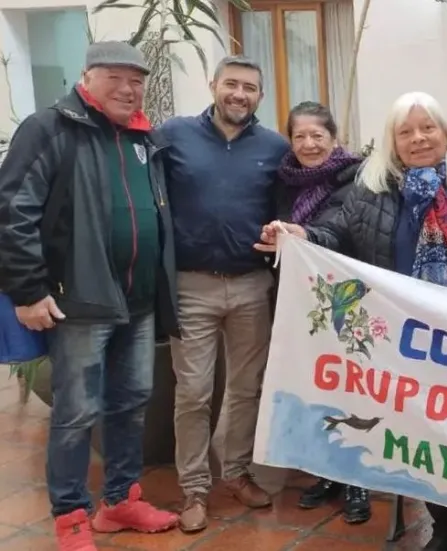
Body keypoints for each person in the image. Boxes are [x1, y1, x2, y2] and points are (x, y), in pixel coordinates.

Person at [255, 91, 447, 551]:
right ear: (392, 140)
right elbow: (337, 237)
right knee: (426, 442)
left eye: (427, 127)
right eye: (405, 131)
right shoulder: (372, 190)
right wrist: (302, 235)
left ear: (446, 131)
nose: (418, 139)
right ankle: (445, 529)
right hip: (412, 348)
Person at [0, 41, 180, 550]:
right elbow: (12, 210)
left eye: (137, 80)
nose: (128, 88)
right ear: (86, 77)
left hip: (139, 301)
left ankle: (120, 500)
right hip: (77, 302)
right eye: (114, 77)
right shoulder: (49, 129)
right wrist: (29, 291)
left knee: (130, 404)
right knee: (76, 413)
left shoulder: (143, 136)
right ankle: (71, 517)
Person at [158, 55, 289, 533]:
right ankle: (194, 488)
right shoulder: (174, 135)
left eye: (250, 87)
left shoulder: (275, 147)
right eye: (231, 84)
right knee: (192, 392)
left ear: (260, 95)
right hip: (191, 285)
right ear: (214, 85)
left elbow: (295, 202)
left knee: (246, 388)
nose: (239, 94)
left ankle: (236, 472)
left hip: (253, 284)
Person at [273, 101, 373, 523]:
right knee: (316, 386)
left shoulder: (357, 178)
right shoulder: (283, 181)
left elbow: (339, 228)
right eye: (300, 136)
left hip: (347, 300)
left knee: (351, 386)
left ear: (334, 139)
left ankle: (357, 479)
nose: (309, 144)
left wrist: (304, 234)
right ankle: (328, 471)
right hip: (300, 299)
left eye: (318, 135)